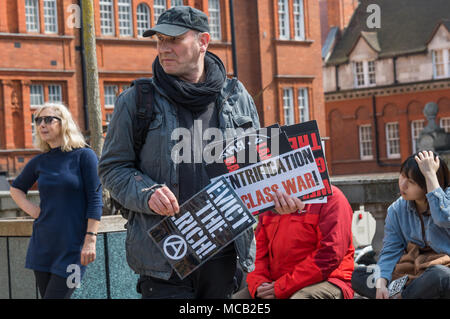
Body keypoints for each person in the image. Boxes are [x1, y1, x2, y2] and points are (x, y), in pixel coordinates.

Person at [98, 6, 260, 299]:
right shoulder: (136, 100)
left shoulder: (237, 96)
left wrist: (282, 199)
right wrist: (147, 193)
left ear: (203, 42)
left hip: (227, 257)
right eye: (159, 40)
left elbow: (255, 167)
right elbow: (112, 169)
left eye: (173, 40)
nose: (164, 48)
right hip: (165, 259)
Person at [9, 102, 103, 299]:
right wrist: (34, 211)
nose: (42, 124)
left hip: (73, 248)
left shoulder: (85, 156)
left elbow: (95, 199)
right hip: (43, 246)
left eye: (48, 119)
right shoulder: (40, 161)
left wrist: (90, 240)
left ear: (64, 123)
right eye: (38, 120)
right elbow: (16, 189)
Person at [352, 151, 450, 299]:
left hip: (440, 271)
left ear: (427, 184)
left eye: (411, 182)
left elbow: (444, 218)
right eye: (402, 176)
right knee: (357, 275)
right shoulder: (397, 209)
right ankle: (401, 294)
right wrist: (381, 283)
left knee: (440, 275)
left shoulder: (446, 199)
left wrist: (430, 174)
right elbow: (390, 250)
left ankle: (401, 296)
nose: (403, 185)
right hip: (410, 272)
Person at [241, 185, 355, 299]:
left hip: (328, 281)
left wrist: (282, 287)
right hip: (275, 284)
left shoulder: (331, 197)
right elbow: (257, 252)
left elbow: (329, 256)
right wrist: (259, 284)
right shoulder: (271, 202)